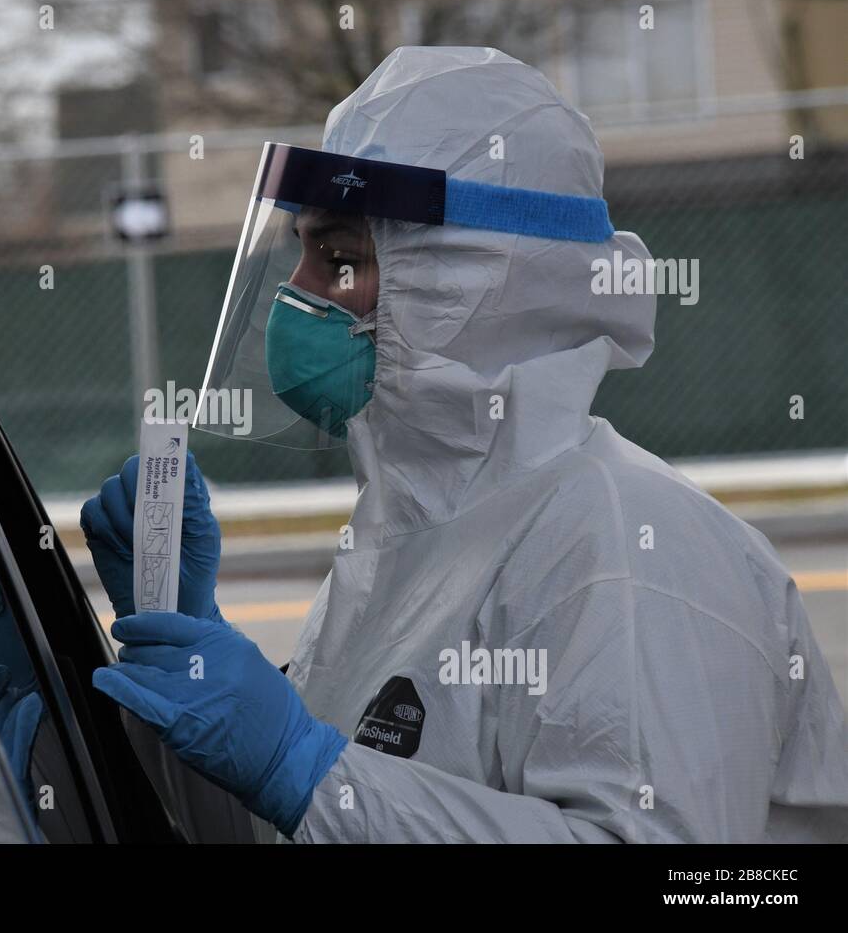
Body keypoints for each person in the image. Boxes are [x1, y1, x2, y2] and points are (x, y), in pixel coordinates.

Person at [81, 47, 848, 843]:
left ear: (475, 282)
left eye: (341, 259)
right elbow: (298, 828)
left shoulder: (632, 551)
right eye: (304, 250)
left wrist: (306, 771)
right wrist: (190, 654)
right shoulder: (413, 543)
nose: (299, 291)